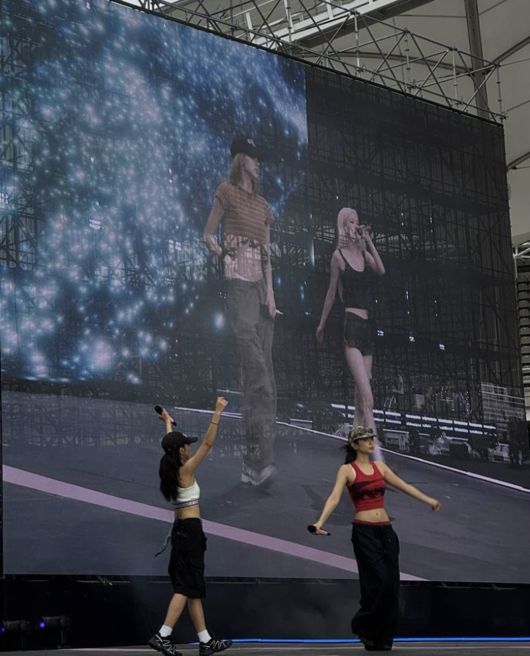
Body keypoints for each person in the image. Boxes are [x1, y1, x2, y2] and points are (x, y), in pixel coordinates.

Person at [310, 426, 441, 651]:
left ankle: (384, 636)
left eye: (372, 438)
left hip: (386, 533)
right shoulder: (347, 470)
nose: (371, 442)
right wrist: (320, 522)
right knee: (376, 583)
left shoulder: (379, 467)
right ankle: (364, 627)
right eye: (366, 439)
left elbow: (404, 486)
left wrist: (428, 500)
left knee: (391, 585)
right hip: (364, 533)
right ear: (355, 444)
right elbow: (334, 498)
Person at [203, 135, 278, 487]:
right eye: (253, 156)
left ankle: (254, 463)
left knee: (260, 381)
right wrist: (225, 257)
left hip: (261, 291)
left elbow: (267, 256)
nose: (258, 163)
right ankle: (259, 463)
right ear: (240, 159)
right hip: (240, 286)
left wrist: (271, 294)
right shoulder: (226, 191)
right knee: (258, 373)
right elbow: (207, 235)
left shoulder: (263, 205)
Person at [148, 398, 232, 656]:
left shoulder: (170, 466)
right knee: (186, 587)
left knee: (192, 587)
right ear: (182, 451)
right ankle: (163, 635)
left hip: (180, 531)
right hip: (191, 532)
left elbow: (170, 444)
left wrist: (167, 422)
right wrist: (217, 412)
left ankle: (205, 641)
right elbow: (207, 443)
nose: (189, 447)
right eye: (186, 445)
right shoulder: (185, 470)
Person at [316, 208, 385, 458]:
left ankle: (353, 456)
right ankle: (377, 457)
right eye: (352, 222)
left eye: (358, 221)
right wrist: (321, 324)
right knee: (368, 399)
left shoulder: (364, 255)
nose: (356, 225)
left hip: (367, 328)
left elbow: (381, 270)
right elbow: (331, 293)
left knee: (360, 402)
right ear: (344, 226)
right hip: (351, 326)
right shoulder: (338, 257)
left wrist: (369, 242)